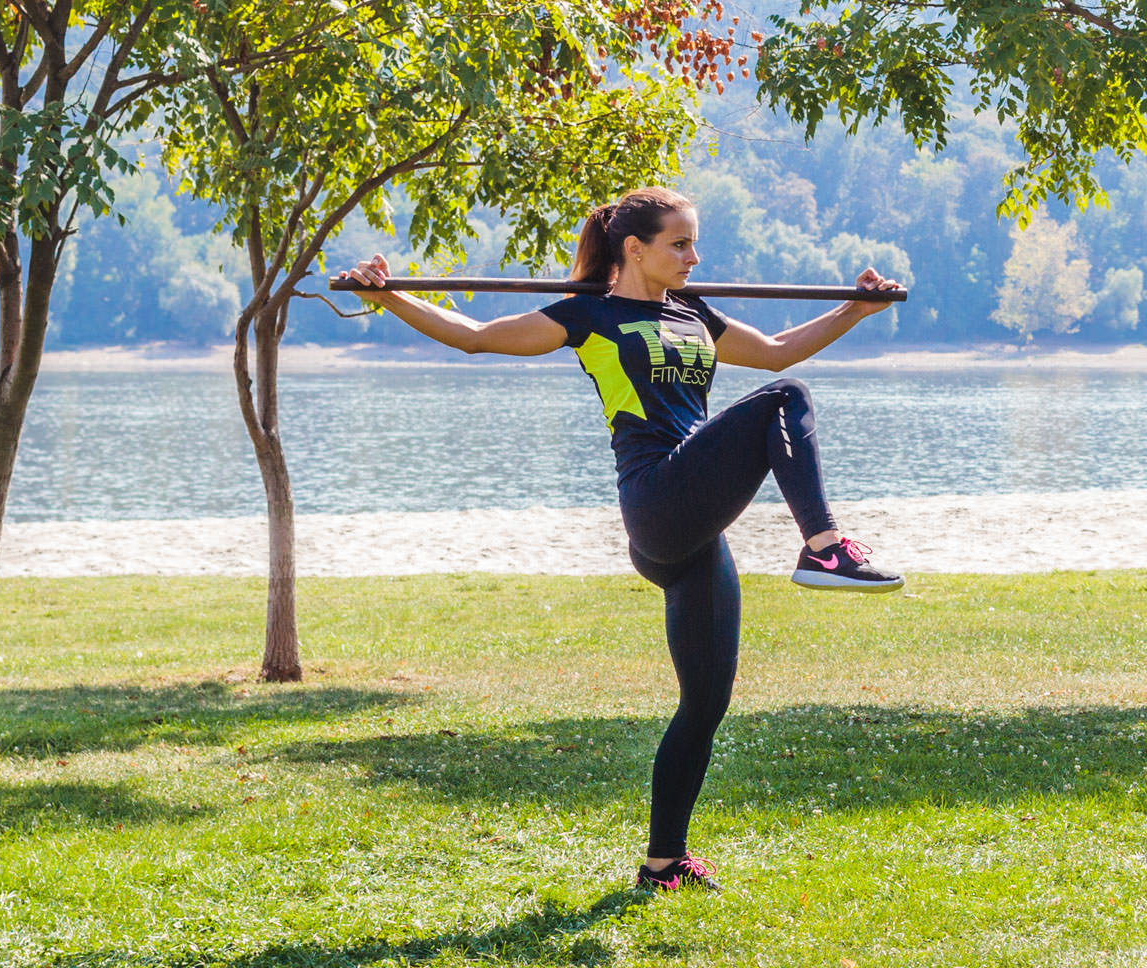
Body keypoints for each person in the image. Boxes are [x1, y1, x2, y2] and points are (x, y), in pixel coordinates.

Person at [341, 185, 904, 892]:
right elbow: (480, 335)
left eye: (695, 244)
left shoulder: (692, 311)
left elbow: (779, 349)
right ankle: (825, 547)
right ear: (634, 249)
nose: (695, 257)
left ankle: (662, 863)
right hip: (657, 497)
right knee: (784, 401)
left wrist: (859, 309)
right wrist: (388, 296)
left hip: (695, 525)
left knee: (706, 703)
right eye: (680, 244)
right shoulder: (590, 315)